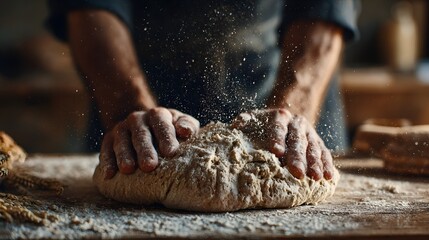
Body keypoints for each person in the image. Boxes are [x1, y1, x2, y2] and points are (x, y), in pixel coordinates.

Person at [47, 0, 359, 181]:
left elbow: (326, 5)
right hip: (133, 93)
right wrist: (129, 106)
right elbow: (90, 7)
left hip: (286, 82)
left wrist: (294, 108)